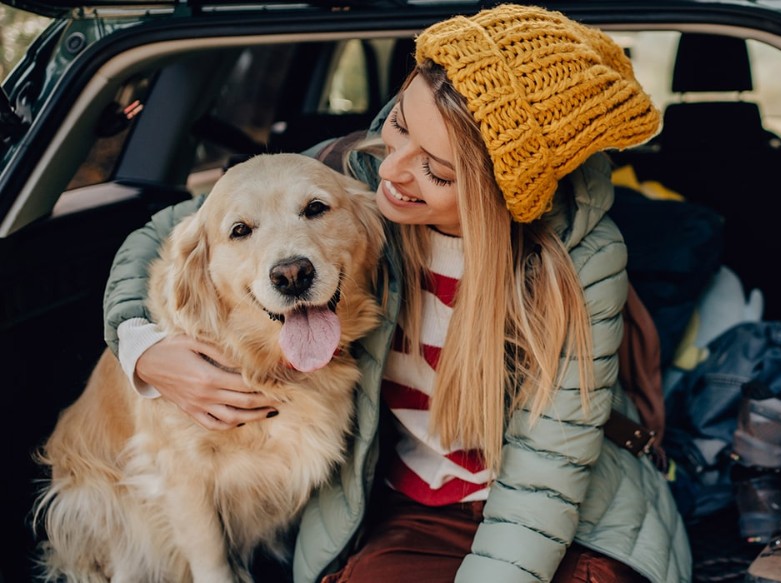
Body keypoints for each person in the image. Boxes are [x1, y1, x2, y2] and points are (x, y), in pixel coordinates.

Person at [100, 5, 692, 582]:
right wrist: (141, 347)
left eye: (436, 170)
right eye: (400, 125)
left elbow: (547, 476)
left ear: (503, 195)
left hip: (568, 516)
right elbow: (162, 235)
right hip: (413, 508)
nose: (392, 170)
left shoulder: (581, 258)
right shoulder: (351, 174)